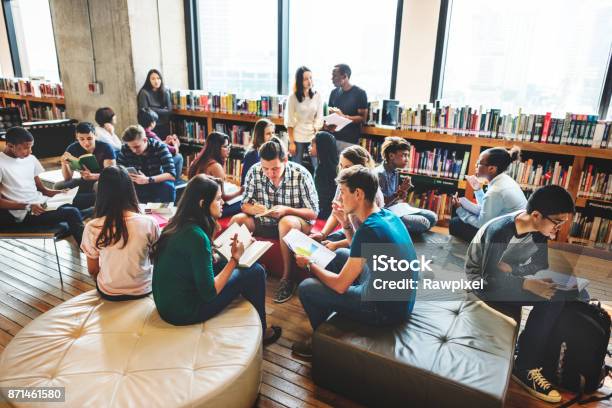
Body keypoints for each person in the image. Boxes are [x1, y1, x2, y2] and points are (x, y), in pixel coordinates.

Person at [465, 185, 581, 404]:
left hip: (502, 278)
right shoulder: (501, 231)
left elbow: (539, 263)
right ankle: (525, 366)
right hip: (480, 282)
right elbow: (490, 280)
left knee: (568, 292)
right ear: (536, 215)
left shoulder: (539, 229)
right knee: (553, 299)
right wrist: (527, 284)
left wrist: (514, 271)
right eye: (557, 223)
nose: (558, 230)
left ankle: (537, 352)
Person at [292, 165, 418, 358]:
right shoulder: (386, 215)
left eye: (342, 193)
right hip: (400, 301)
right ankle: (336, 319)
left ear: (358, 193)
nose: (339, 198)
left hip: (384, 310)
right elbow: (358, 249)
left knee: (307, 287)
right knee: (340, 254)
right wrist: (345, 224)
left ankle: (323, 342)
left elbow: (341, 285)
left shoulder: (369, 229)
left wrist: (309, 264)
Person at [151, 174, 282, 345]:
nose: (223, 203)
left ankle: (247, 317)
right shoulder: (196, 237)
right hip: (184, 312)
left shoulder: (176, 224)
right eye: (219, 199)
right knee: (256, 271)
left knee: (224, 261)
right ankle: (262, 333)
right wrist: (235, 259)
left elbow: (194, 259)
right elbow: (209, 292)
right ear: (202, 204)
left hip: (166, 305)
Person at [231, 138, 319, 303]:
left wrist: (286, 210)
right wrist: (253, 209)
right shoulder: (254, 171)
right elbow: (244, 205)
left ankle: (287, 279)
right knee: (238, 220)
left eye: (275, 169)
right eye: (265, 168)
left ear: (286, 160)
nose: (270, 174)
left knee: (285, 222)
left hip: (295, 223)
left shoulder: (301, 174)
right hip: (264, 222)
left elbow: (313, 213)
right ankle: (239, 270)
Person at [80, 166, 159, 300]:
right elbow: (156, 257)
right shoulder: (149, 222)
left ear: (100, 192)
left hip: (109, 291)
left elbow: (92, 270)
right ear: (130, 190)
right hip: (144, 288)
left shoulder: (92, 227)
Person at [0, 127, 84, 244]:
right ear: (10, 146)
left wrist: (60, 193)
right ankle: (90, 254)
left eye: (31, 147)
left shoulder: (30, 159)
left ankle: (83, 226)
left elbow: (43, 190)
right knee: (72, 213)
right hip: (26, 213)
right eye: (25, 148)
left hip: (43, 204)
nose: (30, 151)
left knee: (86, 200)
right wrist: (28, 206)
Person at [310, 145, 385, 251]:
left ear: (360, 168)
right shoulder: (345, 182)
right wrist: (322, 234)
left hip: (366, 239)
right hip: (351, 228)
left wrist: (337, 244)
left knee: (336, 252)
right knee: (322, 243)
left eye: (347, 167)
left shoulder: (371, 192)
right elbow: (335, 213)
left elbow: (365, 237)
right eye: (341, 166)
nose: (342, 171)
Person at [450, 146, 527, 241]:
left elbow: (481, 225)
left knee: (455, 223)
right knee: (461, 215)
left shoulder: (496, 191)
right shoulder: (505, 179)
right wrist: (478, 190)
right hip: (511, 230)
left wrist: (459, 210)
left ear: (491, 168)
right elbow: (487, 209)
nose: (476, 165)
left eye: (479, 163)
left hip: (504, 238)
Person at [374, 137, 438, 234]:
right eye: (404, 155)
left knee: (432, 217)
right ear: (391, 156)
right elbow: (379, 206)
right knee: (423, 223)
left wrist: (401, 193)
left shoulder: (395, 171)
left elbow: (393, 199)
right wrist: (397, 194)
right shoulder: (380, 174)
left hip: (394, 209)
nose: (407, 160)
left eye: (408, 156)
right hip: (383, 214)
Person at [59, 122, 116, 209]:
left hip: (102, 181)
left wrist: (93, 176)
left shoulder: (106, 147)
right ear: (77, 137)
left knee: (97, 185)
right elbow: (67, 178)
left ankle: (95, 205)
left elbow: (112, 175)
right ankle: (83, 203)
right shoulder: (72, 148)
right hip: (84, 181)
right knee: (59, 186)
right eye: (81, 139)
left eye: (89, 138)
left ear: (95, 135)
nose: (86, 143)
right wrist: (64, 164)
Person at [187, 131, 244, 217]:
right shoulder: (215, 166)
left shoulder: (197, 160)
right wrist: (240, 192)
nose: (229, 149)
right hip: (207, 209)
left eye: (229, 146)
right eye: (225, 146)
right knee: (243, 203)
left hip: (194, 205)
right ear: (216, 148)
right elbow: (223, 198)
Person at [117, 125, 176, 203]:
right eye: (131, 147)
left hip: (156, 180)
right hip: (135, 183)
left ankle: (163, 212)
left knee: (168, 187)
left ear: (145, 140)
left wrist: (148, 180)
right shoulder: (125, 148)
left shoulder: (159, 147)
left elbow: (171, 175)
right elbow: (118, 170)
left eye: (137, 147)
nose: (133, 150)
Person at [323, 64, 368, 153]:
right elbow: (330, 115)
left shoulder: (360, 93)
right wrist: (327, 125)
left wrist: (343, 116)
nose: (332, 78)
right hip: (332, 138)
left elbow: (363, 118)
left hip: (349, 141)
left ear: (344, 76)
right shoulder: (333, 93)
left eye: (334, 76)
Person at [284, 66, 323, 168]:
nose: (309, 81)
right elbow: (289, 121)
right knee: (297, 168)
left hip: (313, 136)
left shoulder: (317, 96)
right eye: (306, 79)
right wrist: (291, 143)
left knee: (317, 166)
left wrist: (316, 138)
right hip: (297, 137)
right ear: (299, 81)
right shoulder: (292, 97)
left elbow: (319, 118)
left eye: (310, 78)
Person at [137, 107, 183, 179]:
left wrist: (165, 142)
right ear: (152, 123)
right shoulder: (151, 135)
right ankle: (175, 182)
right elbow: (173, 151)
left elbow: (155, 144)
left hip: (144, 167)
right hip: (156, 166)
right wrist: (175, 144)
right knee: (179, 157)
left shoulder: (138, 133)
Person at [137, 69, 172, 137]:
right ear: (149, 80)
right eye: (153, 79)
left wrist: (152, 108)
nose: (156, 81)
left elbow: (169, 111)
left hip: (164, 124)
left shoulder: (165, 91)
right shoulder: (144, 93)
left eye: (158, 78)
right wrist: (163, 110)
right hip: (151, 126)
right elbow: (145, 113)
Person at [310, 131, 338, 219]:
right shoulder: (334, 166)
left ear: (321, 147)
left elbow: (321, 198)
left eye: (312, 145)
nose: (309, 147)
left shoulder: (322, 170)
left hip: (325, 213)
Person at [241, 118, 275, 185]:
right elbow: (245, 181)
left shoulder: (273, 151)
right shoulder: (252, 155)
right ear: (260, 135)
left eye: (273, 133)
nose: (272, 136)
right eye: (268, 134)